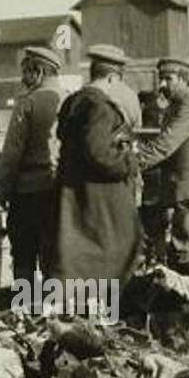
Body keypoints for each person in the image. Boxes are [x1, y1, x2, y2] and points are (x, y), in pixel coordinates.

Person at [50, 44, 143, 287]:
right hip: (98, 201)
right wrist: (129, 159)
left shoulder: (74, 101)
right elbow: (99, 154)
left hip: (75, 197)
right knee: (114, 254)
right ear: (112, 77)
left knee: (78, 262)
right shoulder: (100, 107)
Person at [137, 57, 189, 278]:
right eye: (160, 79)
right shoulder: (181, 107)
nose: (162, 84)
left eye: (168, 79)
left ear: (183, 79)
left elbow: (164, 146)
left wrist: (130, 162)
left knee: (184, 243)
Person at [0, 45, 65, 284]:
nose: (22, 78)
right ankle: (52, 312)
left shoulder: (28, 102)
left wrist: (2, 190)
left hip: (27, 192)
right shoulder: (68, 100)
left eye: (25, 71)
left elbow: (12, 153)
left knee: (24, 254)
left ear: (38, 72)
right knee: (53, 256)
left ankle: (25, 310)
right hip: (58, 191)